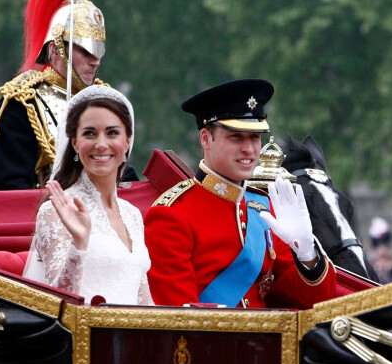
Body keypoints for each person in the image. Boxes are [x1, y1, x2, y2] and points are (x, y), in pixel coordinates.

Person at [144, 79, 337, 309]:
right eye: (236, 137)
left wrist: (307, 254)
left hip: (267, 343)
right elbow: (179, 322)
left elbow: (314, 302)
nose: (249, 149)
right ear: (206, 139)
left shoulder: (264, 207)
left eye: (255, 137)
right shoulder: (171, 215)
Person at [0, 0, 138, 190]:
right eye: (84, 50)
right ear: (55, 50)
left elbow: (119, 168)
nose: (95, 61)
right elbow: (9, 184)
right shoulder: (26, 101)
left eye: (98, 51)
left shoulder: (105, 100)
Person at [23, 85, 153, 306]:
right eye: (89, 133)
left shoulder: (133, 215)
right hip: (84, 337)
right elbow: (58, 303)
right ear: (75, 143)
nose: (101, 145)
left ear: (128, 141)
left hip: (129, 337)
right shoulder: (55, 211)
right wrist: (79, 243)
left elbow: (143, 302)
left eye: (112, 132)